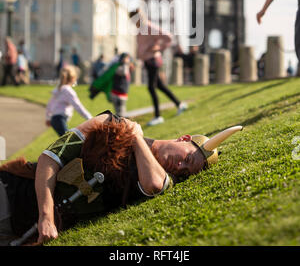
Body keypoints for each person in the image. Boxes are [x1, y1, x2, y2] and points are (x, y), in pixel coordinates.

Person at [0, 111, 243, 245]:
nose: (180, 166)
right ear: (184, 139)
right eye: (187, 159)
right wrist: (46, 216)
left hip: (21, 231)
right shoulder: (110, 122)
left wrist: (135, 137)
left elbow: (155, 184)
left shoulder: (161, 177)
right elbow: (49, 158)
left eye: (186, 172)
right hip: (11, 190)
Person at [129, 9, 187, 126]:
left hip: (153, 60)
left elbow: (168, 37)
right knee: (160, 86)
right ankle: (180, 104)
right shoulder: (140, 30)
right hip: (147, 61)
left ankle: (157, 116)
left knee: (151, 87)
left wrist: (158, 47)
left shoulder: (149, 27)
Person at [46, 65, 93, 136]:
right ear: (73, 78)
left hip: (55, 119)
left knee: (65, 140)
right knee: (67, 141)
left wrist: (48, 117)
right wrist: (90, 118)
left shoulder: (59, 89)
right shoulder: (68, 91)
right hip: (59, 119)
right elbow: (78, 106)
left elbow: (50, 105)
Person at [110, 53, 133, 117]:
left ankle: (119, 125)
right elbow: (124, 72)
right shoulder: (119, 67)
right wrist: (126, 64)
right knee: (119, 114)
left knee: (122, 113)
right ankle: (118, 126)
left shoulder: (127, 67)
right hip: (117, 94)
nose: (128, 60)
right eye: (127, 58)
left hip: (123, 93)